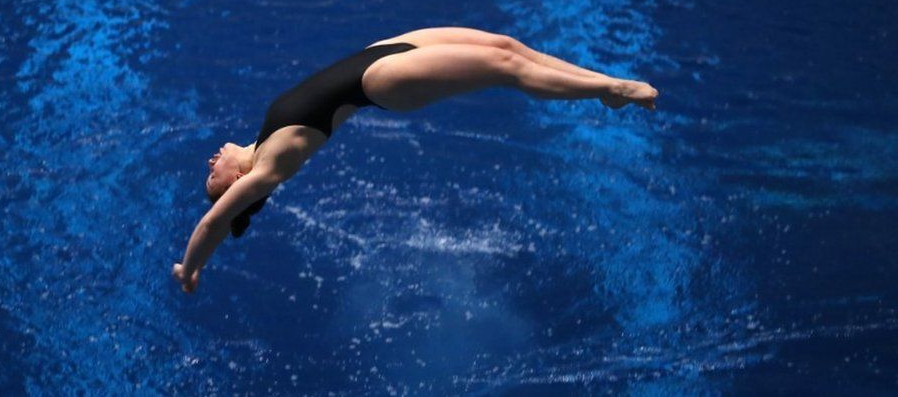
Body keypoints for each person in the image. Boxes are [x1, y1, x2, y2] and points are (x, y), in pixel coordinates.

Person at [172, 26, 658, 293]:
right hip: (382, 81)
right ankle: (613, 89)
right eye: (212, 176)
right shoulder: (267, 168)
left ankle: (603, 88)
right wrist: (190, 268)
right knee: (506, 69)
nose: (210, 162)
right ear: (235, 181)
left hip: (379, 51)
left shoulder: (261, 141)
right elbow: (215, 223)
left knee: (506, 47)